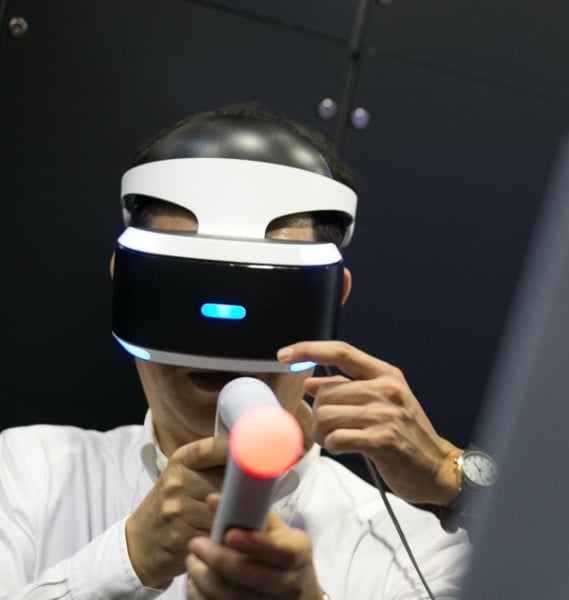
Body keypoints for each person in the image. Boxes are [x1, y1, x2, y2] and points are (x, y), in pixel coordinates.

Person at [0, 103, 481, 599]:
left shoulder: (416, 555)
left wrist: (457, 478)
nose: (218, 347)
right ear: (127, 284)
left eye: (268, 295)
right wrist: (128, 559)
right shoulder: (30, 476)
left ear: (331, 299)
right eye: (184, 288)